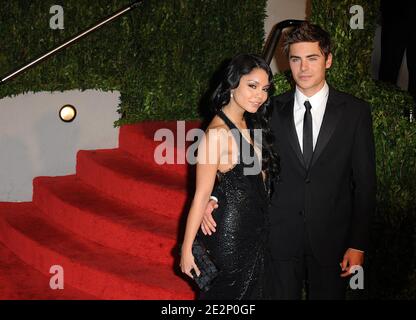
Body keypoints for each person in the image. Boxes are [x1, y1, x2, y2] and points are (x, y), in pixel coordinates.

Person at [202, 22, 376, 300]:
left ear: (328, 60)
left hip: (332, 238)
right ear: (288, 63)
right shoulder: (267, 110)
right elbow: (245, 163)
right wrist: (213, 196)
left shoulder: (355, 112)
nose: (303, 68)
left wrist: (358, 244)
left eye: (312, 58)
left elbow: (366, 185)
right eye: (296, 59)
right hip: (278, 236)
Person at [180, 53, 280, 299]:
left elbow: (255, 181)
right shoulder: (215, 134)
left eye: (265, 89)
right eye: (252, 86)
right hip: (231, 235)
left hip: (258, 229)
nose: (260, 95)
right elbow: (200, 194)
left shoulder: (252, 124)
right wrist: (186, 248)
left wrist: (218, 196)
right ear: (233, 85)